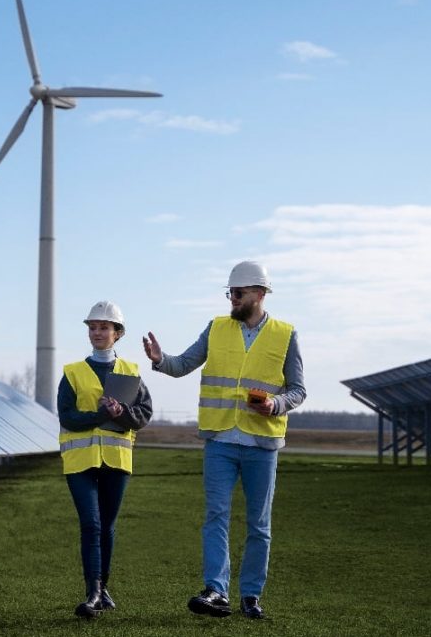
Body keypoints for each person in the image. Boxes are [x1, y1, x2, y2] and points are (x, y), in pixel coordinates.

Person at [142, 261, 305, 620]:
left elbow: (298, 390)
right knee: (216, 515)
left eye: (239, 293)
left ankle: (250, 595)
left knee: (259, 525)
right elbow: (184, 363)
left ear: (259, 294)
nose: (232, 298)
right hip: (220, 441)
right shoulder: (216, 328)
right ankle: (216, 591)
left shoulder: (285, 334)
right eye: (230, 293)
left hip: (262, 444)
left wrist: (276, 404)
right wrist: (159, 360)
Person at [58, 300, 153, 619]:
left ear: (118, 333)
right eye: (93, 327)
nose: (97, 333)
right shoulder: (72, 373)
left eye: (104, 327)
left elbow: (143, 415)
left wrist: (121, 412)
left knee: (107, 526)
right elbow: (68, 416)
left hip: (116, 459)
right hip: (80, 461)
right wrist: (101, 414)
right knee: (91, 523)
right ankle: (93, 592)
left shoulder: (132, 372)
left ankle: (104, 588)